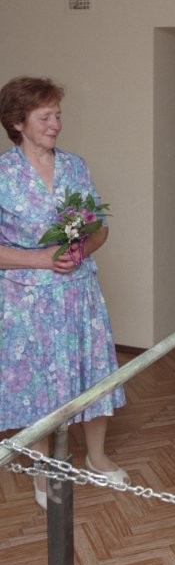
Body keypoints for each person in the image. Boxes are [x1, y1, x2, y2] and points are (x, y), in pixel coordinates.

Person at [0, 76, 128, 510]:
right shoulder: (3, 175)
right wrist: (40, 258)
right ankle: (43, 468)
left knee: (93, 374)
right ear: (18, 122)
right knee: (36, 385)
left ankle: (96, 456)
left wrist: (81, 249)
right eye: (45, 117)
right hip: (26, 302)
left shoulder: (75, 166)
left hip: (79, 295)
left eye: (58, 115)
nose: (56, 124)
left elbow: (100, 228)